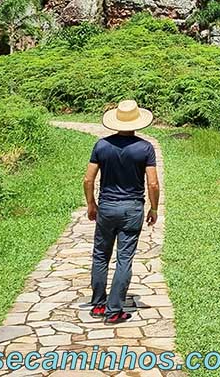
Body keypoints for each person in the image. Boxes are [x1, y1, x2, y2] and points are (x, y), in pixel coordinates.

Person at [83, 99, 160, 324]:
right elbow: (153, 183)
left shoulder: (101, 145)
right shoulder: (145, 148)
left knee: (100, 255)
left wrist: (91, 204)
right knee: (124, 258)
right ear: (137, 122)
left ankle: (98, 305)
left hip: (106, 207)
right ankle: (114, 310)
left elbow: (88, 179)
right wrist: (154, 208)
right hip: (132, 208)